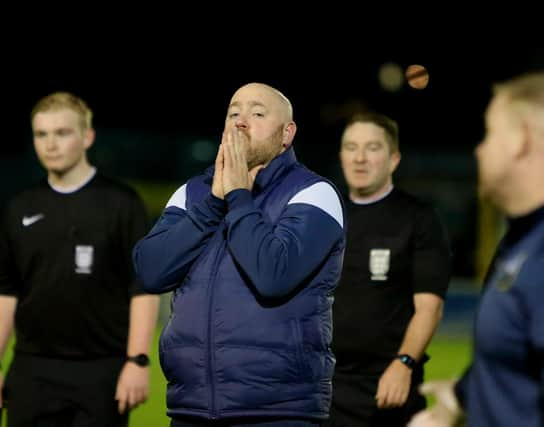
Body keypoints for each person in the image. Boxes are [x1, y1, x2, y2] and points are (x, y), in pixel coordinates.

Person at [133, 82, 346, 426]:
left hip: (278, 412)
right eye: (233, 113)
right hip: (191, 408)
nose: (241, 121)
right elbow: (150, 271)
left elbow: (273, 275)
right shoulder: (192, 194)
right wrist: (213, 203)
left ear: (286, 133)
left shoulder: (314, 193)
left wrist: (237, 197)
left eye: (257, 113)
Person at [0, 91, 160, 427]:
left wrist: (138, 360)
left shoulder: (122, 203)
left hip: (101, 371)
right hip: (31, 369)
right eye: (41, 134)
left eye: (62, 133)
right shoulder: (20, 206)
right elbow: (6, 290)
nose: (50, 144)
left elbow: (142, 288)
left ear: (87, 136)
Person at [409, 72, 544, 427]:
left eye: (490, 133)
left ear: (522, 141)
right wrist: (459, 400)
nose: (479, 149)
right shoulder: (521, 243)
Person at [325, 112, 451, 427]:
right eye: (351, 147)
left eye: (372, 148)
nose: (360, 158)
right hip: (323, 387)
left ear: (393, 159)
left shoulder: (419, 218)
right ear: (341, 156)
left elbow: (430, 308)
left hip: (387, 386)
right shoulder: (324, 217)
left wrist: (404, 363)